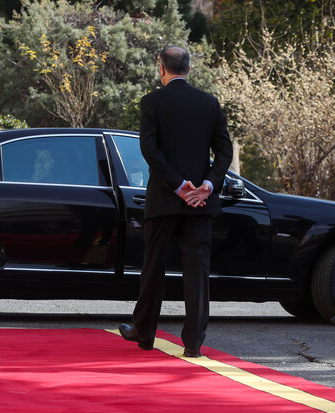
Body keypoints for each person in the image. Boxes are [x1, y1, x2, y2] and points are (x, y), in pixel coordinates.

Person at [118, 46, 233, 358]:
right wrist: (207, 185)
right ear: (189, 68)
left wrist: (179, 185)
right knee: (197, 272)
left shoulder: (152, 102)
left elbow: (149, 150)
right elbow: (224, 152)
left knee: (153, 268)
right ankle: (193, 344)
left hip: (164, 199)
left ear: (161, 68)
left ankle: (144, 333)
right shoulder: (209, 103)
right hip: (201, 204)